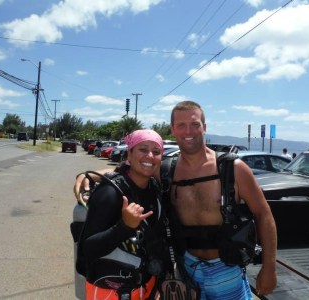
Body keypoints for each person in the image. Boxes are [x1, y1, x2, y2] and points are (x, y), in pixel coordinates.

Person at [74, 101, 277, 298]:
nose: (188, 131)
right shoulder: (166, 170)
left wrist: (269, 268)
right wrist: (88, 175)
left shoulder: (233, 169)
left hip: (226, 270)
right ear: (173, 129)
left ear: (204, 127)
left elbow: (263, 214)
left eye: (195, 124)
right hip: (185, 269)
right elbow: (132, 169)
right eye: (181, 125)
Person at [76, 129, 168, 299]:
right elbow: (87, 250)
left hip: (146, 287)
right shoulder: (110, 193)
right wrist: (124, 226)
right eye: (142, 149)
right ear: (129, 155)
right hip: (110, 292)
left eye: (156, 152)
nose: (149, 155)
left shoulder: (154, 189)